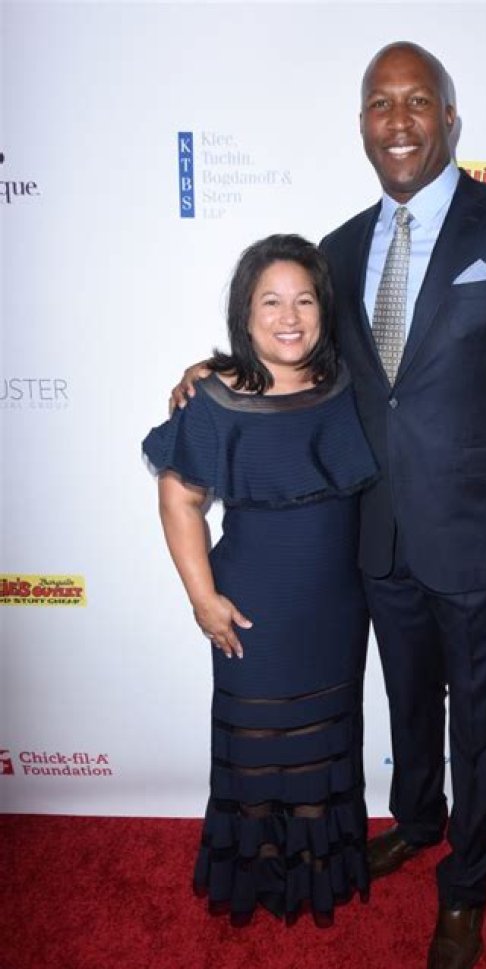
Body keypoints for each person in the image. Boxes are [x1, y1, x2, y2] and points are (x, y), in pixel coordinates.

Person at [172, 42, 486, 969]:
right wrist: (219, 371)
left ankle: (466, 886)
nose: (398, 120)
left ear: (449, 118)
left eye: (417, 101)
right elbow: (302, 361)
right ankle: (416, 820)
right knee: (406, 702)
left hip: (485, 539)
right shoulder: (339, 248)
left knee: (480, 722)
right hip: (375, 537)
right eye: (379, 104)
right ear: (362, 124)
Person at [144, 234, 378, 928]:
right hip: (254, 606)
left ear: (324, 310)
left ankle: (316, 872)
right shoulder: (214, 398)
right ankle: (260, 875)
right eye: (270, 302)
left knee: (324, 744)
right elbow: (179, 499)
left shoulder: (346, 383)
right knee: (258, 752)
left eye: (304, 300)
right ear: (244, 315)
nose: (289, 317)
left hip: (336, 608)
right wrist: (203, 599)